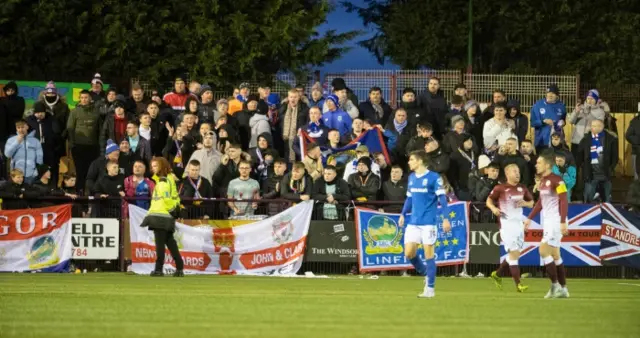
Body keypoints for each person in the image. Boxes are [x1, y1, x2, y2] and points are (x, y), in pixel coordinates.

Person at [398, 150, 451, 298]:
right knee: (409, 253)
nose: (409, 162)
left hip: (428, 222)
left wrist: (445, 218)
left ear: (420, 161)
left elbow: (443, 199)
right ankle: (427, 274)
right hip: (414, 222)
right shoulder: (412, 178)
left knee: (429, 256)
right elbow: (409, 198)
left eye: (411, 160)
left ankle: (430, 289)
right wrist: (403, 214)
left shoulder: (434, 178)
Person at [524, 153, 570, 298]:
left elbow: (564, 201)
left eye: (539, 162)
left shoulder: (558, 180)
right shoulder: (543, 181)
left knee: (543, 250)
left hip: (556, 221)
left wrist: (562, 221)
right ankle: (563, 289)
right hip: (549, 221)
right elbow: (540, 203)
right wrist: (529, 218)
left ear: (548, 165)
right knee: (555, 255)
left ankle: (555, 285)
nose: (536, 165)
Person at [487, 164, 534, 292]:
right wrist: (494, 208)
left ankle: (497, 274)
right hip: (506, 225)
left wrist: (526, 203)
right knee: (514, 253)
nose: (517, 173)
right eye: (514, 171)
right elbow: (489, 200)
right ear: (507, 173)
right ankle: (518, 285)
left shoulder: (522, 188)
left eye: (518, 171)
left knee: (515, 254)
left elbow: (531, 203)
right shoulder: (500, 188)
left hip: (518, 225)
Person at [140, 157, 183, 277]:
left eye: (155, 166)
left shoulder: (163, 181)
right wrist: (174, 210)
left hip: (160, 215)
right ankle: (179, 267)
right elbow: (173, 196)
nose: (153, 168)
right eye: (152, 166)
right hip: (166, 216)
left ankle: (158, 269)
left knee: (160, 244)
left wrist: (172, 209)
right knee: (170, 242)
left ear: (162, 166)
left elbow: (166, 198)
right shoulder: (168, 179)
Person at [577, 119, 618, 203]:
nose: (594, 128)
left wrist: (611, 168)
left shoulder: (611, 139)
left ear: (602, 127)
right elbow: (579, 155)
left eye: (597, 126)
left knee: (607, 201)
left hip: (605, 175)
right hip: (591, 175)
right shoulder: (586, 139)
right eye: (593, 126)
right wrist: (583, 167)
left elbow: (615, 157)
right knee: (589, 200)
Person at [68, 90, 101, 192]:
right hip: (78, 147)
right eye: (82, 98)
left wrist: (99, 145)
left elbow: (100, 130)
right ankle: (79, 195)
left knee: (91, 173)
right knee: (80, 172)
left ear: (90, 98)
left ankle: (91, 195)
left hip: (93, 147)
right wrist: (72, 145)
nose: (84, 100)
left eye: (86, 97)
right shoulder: (74, 112)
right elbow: (70, 128)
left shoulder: (96, 111)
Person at [530, 84, 567, 155]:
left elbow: (563, 120)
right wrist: (543, 121)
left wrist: (563, 123)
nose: (550, 95)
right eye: (548, 93)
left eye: (553, 93)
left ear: (557, 96)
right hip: (541, 141)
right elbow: (533, 122)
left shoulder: (561, 106)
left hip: (556, 141)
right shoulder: (538, 105)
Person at [4, 119, 44, 184]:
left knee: (30, 193)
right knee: (17, 193)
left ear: (27, 127)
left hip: (31, 175)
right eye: (18, 128)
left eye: (22, 127)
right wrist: (17, 142)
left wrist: (36, 172)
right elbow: (7, 154)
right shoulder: (11, 140)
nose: (20, 129)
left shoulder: (35, 141)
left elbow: (40, 158)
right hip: (17, 175)